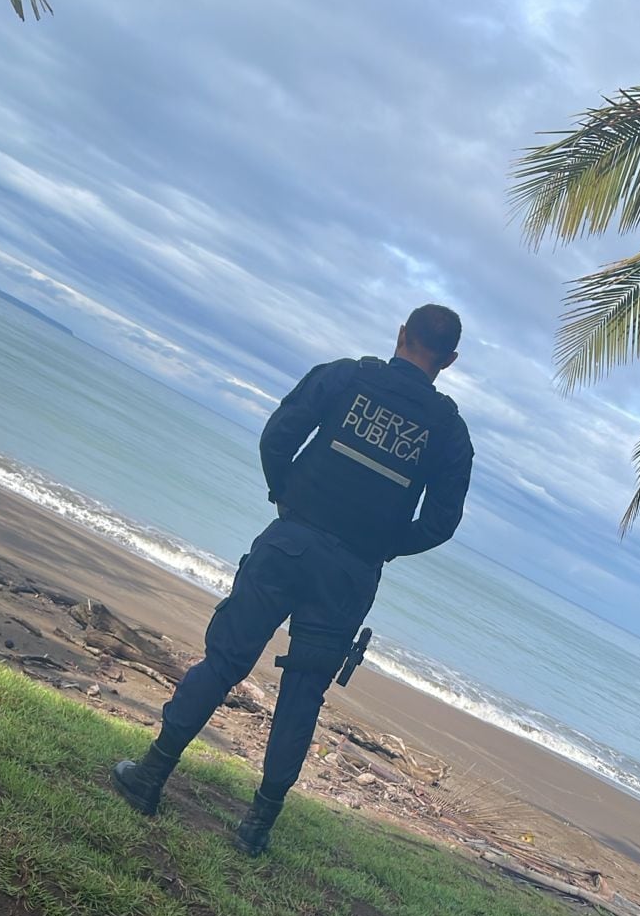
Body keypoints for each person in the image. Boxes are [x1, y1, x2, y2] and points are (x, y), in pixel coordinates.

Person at [112, 304, 474, 855]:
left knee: (224, 661)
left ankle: (150, 776)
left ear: (401, 334)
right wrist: (381, 545)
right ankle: (255, 828)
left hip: (288, 545)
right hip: (349, 577)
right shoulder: (448, 432)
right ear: (448, 361)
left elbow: (277, 437)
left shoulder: (345, 377)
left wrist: (287, 496)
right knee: (303, 696)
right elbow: (441, 523)